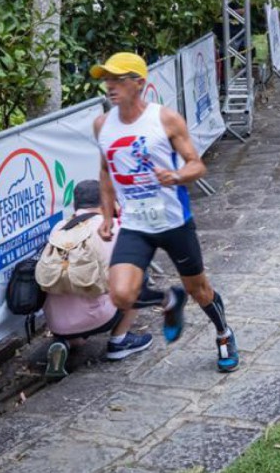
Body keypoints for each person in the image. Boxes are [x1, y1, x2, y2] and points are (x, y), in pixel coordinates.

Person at [90, 52, 237, 373]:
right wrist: (105, 216)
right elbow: (105, 171)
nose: (110, 86)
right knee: (121, 294)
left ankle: (224, 334)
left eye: (118, 79)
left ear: (139, 83)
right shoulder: (102, 124)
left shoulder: (165, 119)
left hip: (173, 221)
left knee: (199, 290)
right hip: (135, 224)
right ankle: (168, 301)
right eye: (106, 79)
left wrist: (176, 176)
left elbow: (197, 165)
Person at [42, 179, 163, 379]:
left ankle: (64, 342)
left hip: (58, 322)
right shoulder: (113, 226)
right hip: (99, 317)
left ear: (75, 205)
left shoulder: (59, 228)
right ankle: (119, 340)